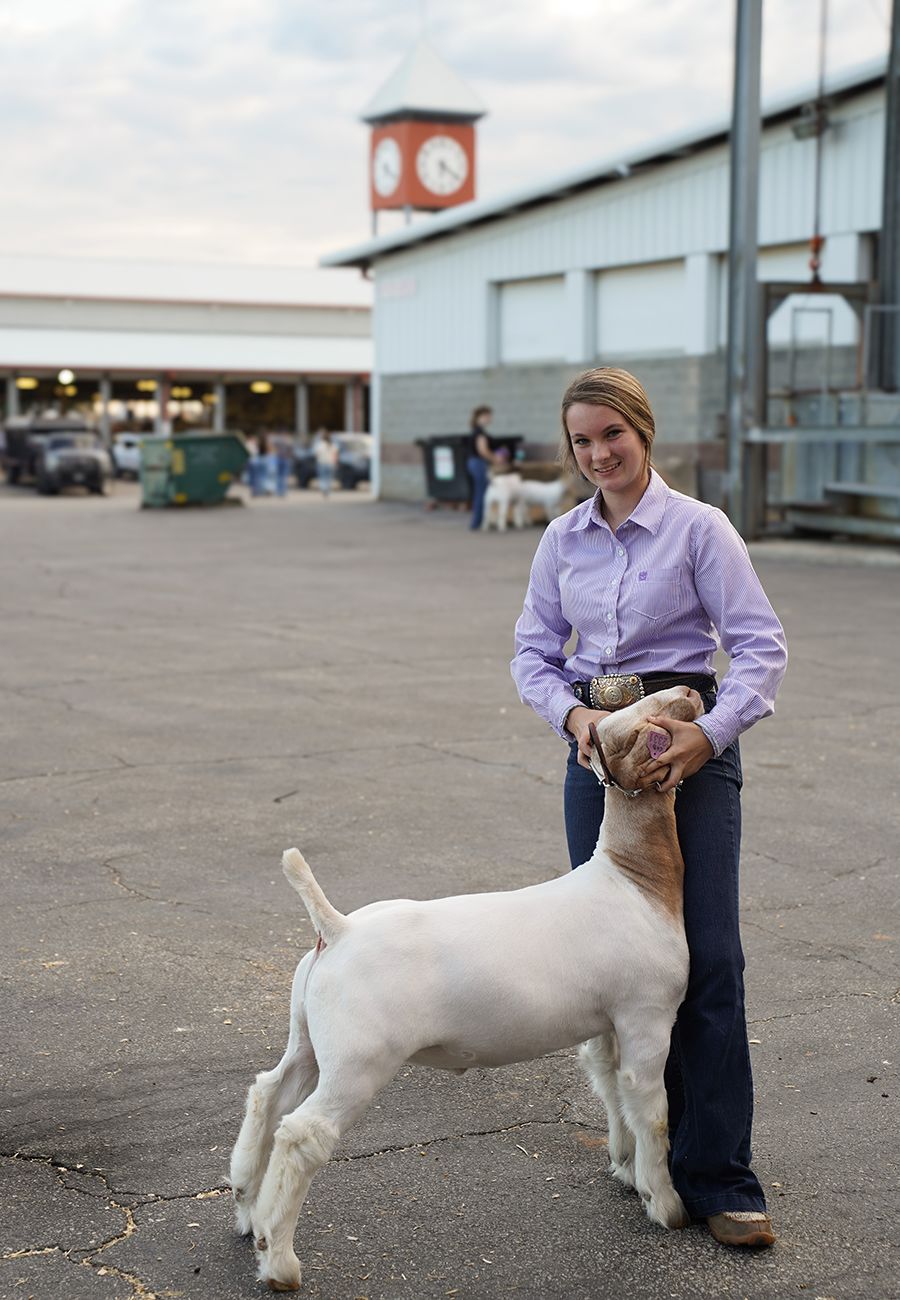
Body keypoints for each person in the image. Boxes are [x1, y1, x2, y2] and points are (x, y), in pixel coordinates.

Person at [510, 367, 787, 1249]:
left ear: (643, 430)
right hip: (599, 754)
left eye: (610, 436)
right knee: (603, 961)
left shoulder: (700, 529)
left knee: (706, 959)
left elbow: (759, 647)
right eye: (581, 441)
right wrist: (578, 717)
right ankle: (638, 1150)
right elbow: (531, 656)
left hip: (687, 751)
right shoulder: (562, 539)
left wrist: (712, 739)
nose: (598, 455)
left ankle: (721, 1177)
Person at [466, 405, 497, 530]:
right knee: (482, 492)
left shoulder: (476, 430)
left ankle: (478, 521)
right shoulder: (480, 432)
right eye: (487, 416)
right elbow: (483, 450)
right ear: (480, 417)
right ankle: (477, 522)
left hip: (474, 462)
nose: (490, 419)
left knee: (480, 491)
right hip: (478, 463)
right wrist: (496, 459)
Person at [313, 428, 338, 498]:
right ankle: (328, 490)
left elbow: (316, 454)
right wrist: (335, 463)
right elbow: (335, 455)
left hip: (322, 463)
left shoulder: (320, 445)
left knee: (322, 477)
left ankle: (323, 488)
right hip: (330, 463)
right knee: (329, 478)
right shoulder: (333, 445)